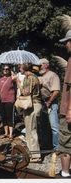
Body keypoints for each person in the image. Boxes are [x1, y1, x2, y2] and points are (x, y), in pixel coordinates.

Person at [19, 63, 42, 163]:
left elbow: (26, 92)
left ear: (24, 68)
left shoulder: (31, 78)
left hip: (32, 105)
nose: (19, 68)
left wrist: (17, 83)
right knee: (29, 130)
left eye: (20, 67)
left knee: (31, 131)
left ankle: (36, 156)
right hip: (30, 106)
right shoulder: (29, 77)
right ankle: (32, 154)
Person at [38, 58, 60, 151]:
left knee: (54, 126)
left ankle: (57, 147)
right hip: (42, 102)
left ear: (46, 65)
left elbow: (56, 91)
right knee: (44, 125)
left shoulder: (53, 75)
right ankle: (46, 146)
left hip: (51, 102)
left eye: (41, 65)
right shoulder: (39, 77)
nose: (39, 67)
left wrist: (49, 102)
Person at [58, 29, 71, 178]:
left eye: (67, 41)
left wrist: (69, 110)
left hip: (68, 110)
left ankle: (65, 174)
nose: (66, 45)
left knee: (65, 144)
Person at [0, 65, 17, 141]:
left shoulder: (12, 78)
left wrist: (12, 72)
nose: (5, 70)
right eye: (4, 69)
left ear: (9, 70)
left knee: (10, 117)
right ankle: (6, 133)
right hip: (1, 100)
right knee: (3, 117)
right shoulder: (0, 80)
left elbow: (17, 78)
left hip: (10, 100)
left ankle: (10, 134)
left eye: (7, 69)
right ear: (2, 70)